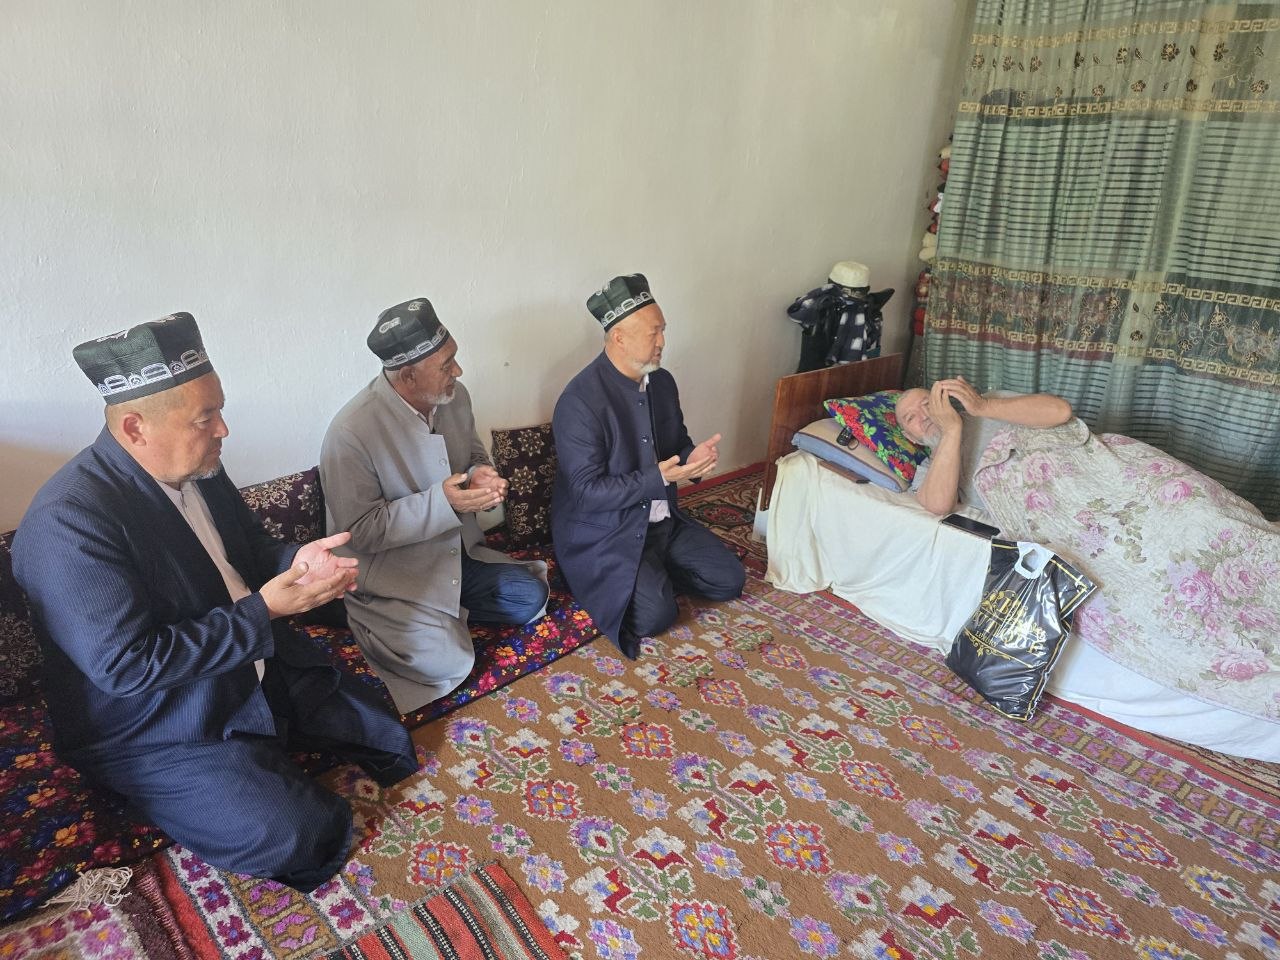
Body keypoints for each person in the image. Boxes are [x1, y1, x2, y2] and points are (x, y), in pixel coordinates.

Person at [12, 313, 416, 892]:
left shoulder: (199, 466)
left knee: (383, 734)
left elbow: (249, 551)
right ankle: (182, 782)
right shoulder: (69, 523)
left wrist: (299, 563)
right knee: (297, 833)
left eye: (219, 410)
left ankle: (262, 745)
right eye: (206, 417)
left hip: (247, 661)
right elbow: (127, 666)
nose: (224, 429)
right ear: (135, 427)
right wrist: (266, 611)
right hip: (157, 719)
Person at [319, 297, 548, 713]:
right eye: (446, 365)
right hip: (397, 574)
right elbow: (361, 530)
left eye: (453, 359)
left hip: (457, 555)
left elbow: (473, 453)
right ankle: (374, 614)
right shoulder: (350, 431)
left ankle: (441, 616)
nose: (457, 372)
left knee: (530, 596)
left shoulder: (454, 397)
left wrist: (481, 473)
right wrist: (443, 502)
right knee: (448, 660)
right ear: (408, 375)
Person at [551, 273, 746, 659]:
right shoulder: (579, 401)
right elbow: (587, 493)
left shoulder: (662, 383)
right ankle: (638, 579)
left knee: (729, 580)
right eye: (653, 332)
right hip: (607, 530)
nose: (662, 342)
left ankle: (653, 572)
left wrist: (693, 459)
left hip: (661, 520)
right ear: (619, 337)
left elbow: (676, 447)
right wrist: (658, 477)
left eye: (663, 330)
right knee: (656, 616)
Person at [895, 377, 1073, 515]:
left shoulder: (986, 405)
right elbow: (939, 506)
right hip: (1054, 509)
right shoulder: (928, 473)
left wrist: (983, 406)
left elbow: (1060, 411)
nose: (924, 415)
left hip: (1073, 474)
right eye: (911, 418)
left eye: (928, 404)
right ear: (910, 437)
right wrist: (951, 430)